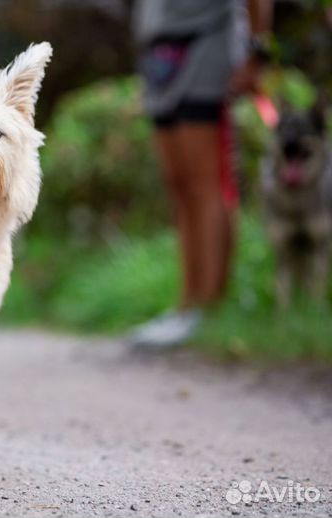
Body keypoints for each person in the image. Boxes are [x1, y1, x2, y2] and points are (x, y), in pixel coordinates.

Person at [128, 0, 273, 349]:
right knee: (179, 184)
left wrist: (257, 49)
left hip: (207, 46)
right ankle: (186, 305)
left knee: (205, 184)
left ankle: (208, 308)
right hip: (160, 54)